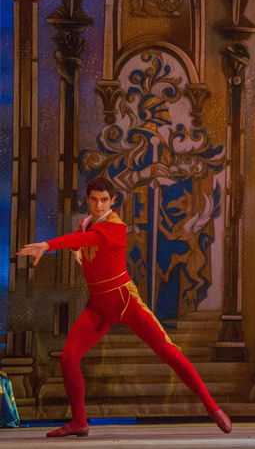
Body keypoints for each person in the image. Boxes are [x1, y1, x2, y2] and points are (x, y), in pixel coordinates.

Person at [16, 178, 232, 437]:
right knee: (67, 357)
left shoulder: (115, 226)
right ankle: (79, 421)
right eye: (94, 199)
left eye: (104, 200)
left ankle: (212, 408)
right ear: (87, 199)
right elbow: (82, 237)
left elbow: (89, 238)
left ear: (113, 200)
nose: (98, 205)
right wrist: (75, 248)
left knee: (168, 351)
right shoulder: (85, 223)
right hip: (98, 306)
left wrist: (47, 245)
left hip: (124, 301)